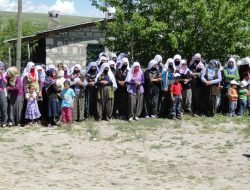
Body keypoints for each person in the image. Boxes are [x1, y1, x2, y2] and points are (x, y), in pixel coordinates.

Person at [0, 61, 8, 127]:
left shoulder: (4, 74)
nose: (1, 68)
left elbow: (5, 82)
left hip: (2, 91)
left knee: (3, 107)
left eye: (1, 67)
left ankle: (4, 122)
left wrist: (2, 75)